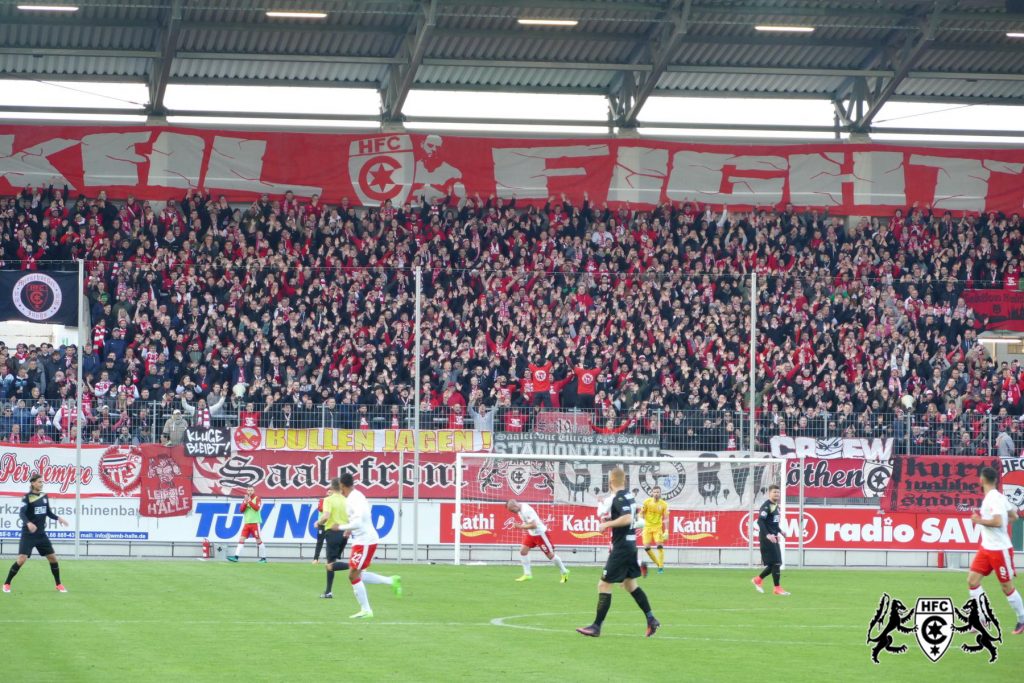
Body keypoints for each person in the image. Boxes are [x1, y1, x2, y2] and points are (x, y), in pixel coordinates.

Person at [576, 467, 659, 638]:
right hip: (630, 546)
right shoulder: (629, 495)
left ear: (610, 482)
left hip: (621, 548)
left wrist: (606, 525)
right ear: (625, 481)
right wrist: (611, 519)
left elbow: (627, 518)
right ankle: (651, 619)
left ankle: (596, 626)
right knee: (630, 585)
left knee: (604, 584)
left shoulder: (619, 497)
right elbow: (629, 517)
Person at [332, 473, 402, 618]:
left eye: (340, 488)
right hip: (360, 540)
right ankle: (391, 581)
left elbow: (358, 522)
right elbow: (358, 520)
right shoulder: (355, 496)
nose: (340, 491)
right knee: (358, 574)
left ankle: (366, 610)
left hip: (365, 541)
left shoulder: (354, 499)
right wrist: (348, 530)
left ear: (343, 486)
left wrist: (340, 527)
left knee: (353, 575)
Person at [967, 466, 1024, 634]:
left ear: (982, 480)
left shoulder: (993, 498)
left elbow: (998, 521)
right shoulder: (998, 497)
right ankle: (982, 620)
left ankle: (1022, 618)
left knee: (1006, 587)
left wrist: (979, 520)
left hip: (999, 549)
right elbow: (1013, 516)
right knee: (972, 581)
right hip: (986, 548)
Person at [4, 474, 69, 593]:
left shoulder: (44, 496)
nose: (41, 484)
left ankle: (58, 584)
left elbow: (48, 512)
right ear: (33, 483)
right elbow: (22, 514)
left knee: (53, 558)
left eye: (42, 482)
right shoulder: (26, 498)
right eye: (39, 482)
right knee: (22, 559)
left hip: (41, 534)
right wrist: (28, 523)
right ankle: (7, 583)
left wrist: (58, 518)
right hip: (28, 534)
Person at [506, 499, 569, 583]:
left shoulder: (526, 510)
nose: (513, 512)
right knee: (523, 551)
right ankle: (527, 574)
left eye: (512, 510)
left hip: (540, 534)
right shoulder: (519, 510)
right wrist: (522, 526)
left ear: (515, 506)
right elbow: (529, 524)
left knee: (550, 555)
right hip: (531, 534)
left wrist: (520, 527)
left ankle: (564, 571)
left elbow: (534, 525)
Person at [751, 484, 789, 595]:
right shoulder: (766, 506)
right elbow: (760, 521)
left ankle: (758, 580)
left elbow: (773, 524)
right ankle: (777, 588)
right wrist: (768, 535)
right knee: (776, 563)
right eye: (774, 492)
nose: (776, 494)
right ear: (769, 493)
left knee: (775, 563)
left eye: (778, 492)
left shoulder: (776, 506)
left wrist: (781, 531)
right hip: (766, 538)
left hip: (774, 537)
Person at [318, 479, 348, 598]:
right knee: (333, 563)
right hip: (344, 534)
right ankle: (328, 591)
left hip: (333, 532)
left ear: (331, 487)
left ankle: (329, 592)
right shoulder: (346, 500)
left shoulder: (328, 500)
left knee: (330, 564)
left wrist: (318, 522)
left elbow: (326, 516)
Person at [227, 486, 267, 563]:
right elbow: (241, 510)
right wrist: (245, 502)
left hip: (255, 523)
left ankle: (264, 558)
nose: (250, 492)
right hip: (247, 523)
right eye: (248, 490)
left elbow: (256, 508)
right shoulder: (245, 500)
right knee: (241, 539)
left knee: (258, 540)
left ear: (254, 491)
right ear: (246, 491)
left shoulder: (257, 498)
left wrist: (249, 501)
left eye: (251, 490)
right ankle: (236, 557)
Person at [639, 486, 669, 575]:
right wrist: (641, 522)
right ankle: (658, 564)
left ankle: (660, 568)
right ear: (652, 493)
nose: (656, 494)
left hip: (657, 528)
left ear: (660, 493)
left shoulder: (664, 504)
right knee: (647, 548)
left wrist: (666, 530)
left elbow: (666, 518)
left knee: (659, 546)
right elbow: (641, 514)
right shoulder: (647, 502)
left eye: (658, 492)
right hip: (647, 527)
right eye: (655, 492)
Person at [312, 485, 332, 565]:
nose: (329, 493)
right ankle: (315, 559)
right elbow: (320, 508)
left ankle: (329, 560)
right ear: (327, 492)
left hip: (330, 525)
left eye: (331, 492)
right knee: (319, 542)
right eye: (329, 492)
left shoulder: (333, 502)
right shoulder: (322, 500)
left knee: (329, 543)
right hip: (322, 524)